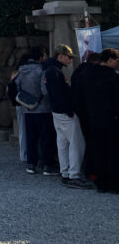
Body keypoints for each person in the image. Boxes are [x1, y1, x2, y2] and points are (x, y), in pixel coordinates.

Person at [42, 45, 91, 189]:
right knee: (77, 143)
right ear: (61, 56)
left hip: (57, 112)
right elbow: (59, 94)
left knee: (63, 143)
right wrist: (69, 111)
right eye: (69, 57)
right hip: (64, 112)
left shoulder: (50, 69)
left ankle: (65, 173)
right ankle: (73, 175)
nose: (70, 60)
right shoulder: (55, 71)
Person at [82, 48, 119, 193]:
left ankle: (101, 183)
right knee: (113, 152)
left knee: (98, 151)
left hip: (92, 118)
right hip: (111, 119)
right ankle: (115, 184)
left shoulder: (87, 75)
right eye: (116, 61)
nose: (117, 64)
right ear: (109, 60)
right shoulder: (114, 78)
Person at [15, 47, 56, 175]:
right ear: (40, 57)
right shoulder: (41, 70)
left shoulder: (21, 70)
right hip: (43, 109)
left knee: (31, 138)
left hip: (27, 108)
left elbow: (17, 86)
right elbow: (44, 91)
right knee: (45, 138)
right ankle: (46, 165)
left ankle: (31, 164)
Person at [72, 51, 101, 178]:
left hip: (80, 111)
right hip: (91, 112)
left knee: (83, 141)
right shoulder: (92, 74)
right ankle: (91, 170)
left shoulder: (77, 72)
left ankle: (86, 169)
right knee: (93, 142)